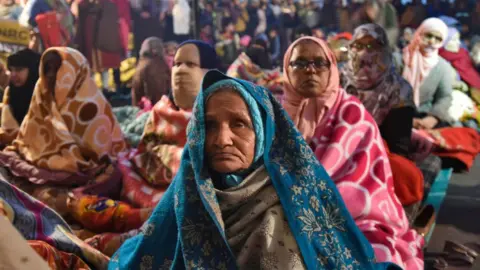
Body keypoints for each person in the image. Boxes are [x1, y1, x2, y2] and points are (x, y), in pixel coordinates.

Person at [108, 70, 400, 270]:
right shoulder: (189, 192)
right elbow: (147, 253)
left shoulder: (290, 208)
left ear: (263, 133)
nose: (222, 140)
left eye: (239, 124)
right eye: (210, 126)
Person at [282, 36, 423, 269]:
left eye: (320, 63)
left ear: (332, 67)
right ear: (286, 68)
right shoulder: (272, 114)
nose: (310, 70)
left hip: (349, 214)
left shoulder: (351, 113)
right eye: (300, 63)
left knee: (370, 251)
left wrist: (312, 203)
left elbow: (363, 182)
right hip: (286, 207)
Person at [84, 41, 220, 256]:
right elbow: (142, 154)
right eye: (176, 63)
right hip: (146, 184)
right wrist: (164, 157)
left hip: (191, 192)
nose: (180, 71)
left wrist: (178, 159)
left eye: (191, 64)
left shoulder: (220, 114)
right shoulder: (162, 110)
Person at [0, 47, 126, 217]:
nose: (51, 75)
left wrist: (69, 160)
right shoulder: (42, 95)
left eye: (57, 69)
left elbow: (101, 155)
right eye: (47, 70)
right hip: (43, 168)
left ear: (75, 71)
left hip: (78, 174)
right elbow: (27, 138)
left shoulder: (92, 106)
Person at [402, 18, 456, 129]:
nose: (432, 41)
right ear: (419, 34)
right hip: (396, 114)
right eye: (428, 35)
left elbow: (444, 97)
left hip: (425, 116)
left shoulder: (443, 67)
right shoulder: (401, 59)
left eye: (437, 39)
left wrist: (433, 118)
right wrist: (405, 120)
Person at [0, 49, 41, 146]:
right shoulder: (10, 92)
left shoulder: (43, 95)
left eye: (19, 69)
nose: (13, 74)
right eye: (11, 69)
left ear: (33, 70)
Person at [131, 37, 171, 106]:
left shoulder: (142, 63)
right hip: (155, 108)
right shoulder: (156, 65)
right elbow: (157, 92)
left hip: (140, 109)